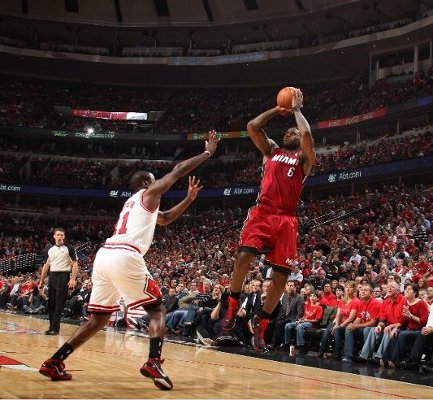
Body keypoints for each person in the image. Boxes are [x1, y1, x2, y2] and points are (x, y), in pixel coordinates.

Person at [39, 132, 219, 390]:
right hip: (125, 255)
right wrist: (207, 153)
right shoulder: (148, 193)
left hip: (105, 257)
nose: (159, 186)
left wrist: (188, 200)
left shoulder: (132, 204)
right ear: (147, 183)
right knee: (157, 310)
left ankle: (55, 361)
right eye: (155, 182)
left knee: (97, 319)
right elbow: (178, 171)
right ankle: (154, 361)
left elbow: (165, 219)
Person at [222, 88, 315, 351]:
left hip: (286, 219)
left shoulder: (305, 160)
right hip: (263, 212)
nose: (290, 132)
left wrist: (296, 110)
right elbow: (252, 126)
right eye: (287, 131)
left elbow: (307, 134)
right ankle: (232, 303)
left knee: (282, 276)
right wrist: (278, 109)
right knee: (243, 257)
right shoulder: (271, 150)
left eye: (293, 132)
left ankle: (261, 322)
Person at [38, 228, 78, 335]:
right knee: (51, 303)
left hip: (63, 275)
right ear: (54, 236)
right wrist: (41, 280)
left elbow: (75, 264)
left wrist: (73, 279)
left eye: (62, 235)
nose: (60, 237)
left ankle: (55, 329)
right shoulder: (49, 249)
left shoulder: (69, 248)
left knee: (59, 304)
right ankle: (52, 326)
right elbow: (46, 265)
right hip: (52, 276)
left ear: (64, 237)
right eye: (58, 235)